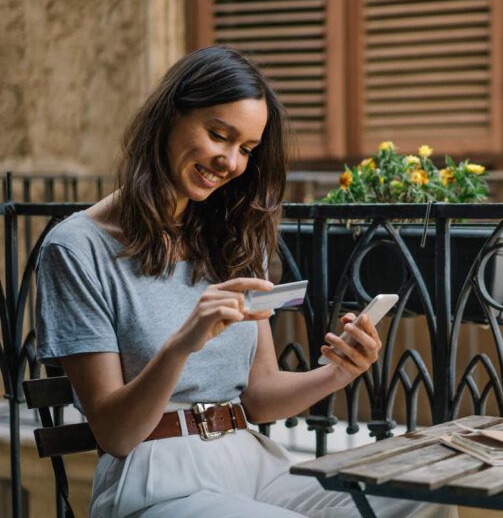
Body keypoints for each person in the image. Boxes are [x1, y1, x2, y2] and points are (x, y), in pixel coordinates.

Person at [35, 46, 453, 517]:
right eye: (219, 135)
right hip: (157, 478)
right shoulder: (76, 248)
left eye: (246, 150)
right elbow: (116, 433)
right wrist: (183, 343)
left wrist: (338, 372)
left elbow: (259, 396)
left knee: (422, 500)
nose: (231, 162)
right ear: (170, 117)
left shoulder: (230, 240)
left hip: (253, 466)